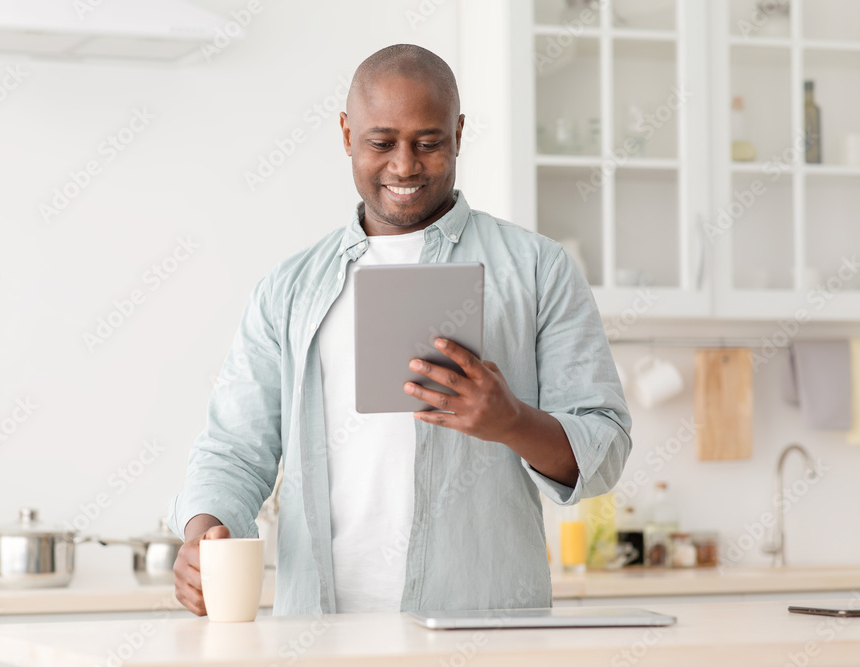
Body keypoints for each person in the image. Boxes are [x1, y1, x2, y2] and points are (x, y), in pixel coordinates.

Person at [168, 44, 631, 616]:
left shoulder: (538, 270)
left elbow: (603, 449)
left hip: (481, 633)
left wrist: (512, 422)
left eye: (429, 142)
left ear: (459, 134)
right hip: (318, 637)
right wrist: (201, 534)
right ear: (346, 134)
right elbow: (234, 449)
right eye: (381, 142)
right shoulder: (288, 289)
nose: (405, 165)